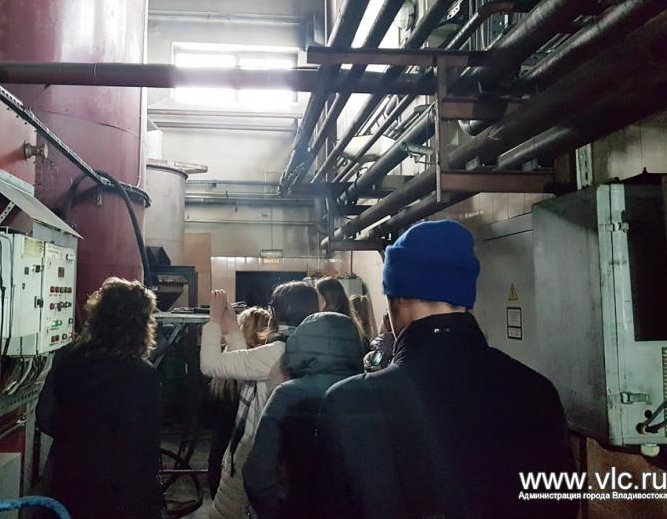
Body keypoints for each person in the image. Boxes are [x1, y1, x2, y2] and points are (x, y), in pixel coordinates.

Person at [316, 220, 576, 519]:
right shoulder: (535, 391)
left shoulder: (348, 403)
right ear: (466, 296)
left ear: (397, 298)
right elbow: (562, 505)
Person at [36, 277, 165, 519]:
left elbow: (44, 418)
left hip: (67, 478)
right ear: (140, 326)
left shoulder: (66, 356)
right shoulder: (141, 373)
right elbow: (144, 445)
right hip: (116, 491)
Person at [200, 282, 319, 519]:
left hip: (253, 449)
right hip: (289, 453)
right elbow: (249, 367)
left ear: (280, 311)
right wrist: (232, 327)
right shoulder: (306, 346)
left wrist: (213, 320)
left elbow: (210, 364)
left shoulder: (278, 350)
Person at [243, 311, 365, 519]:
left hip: (301, 508)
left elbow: (258, 475)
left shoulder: (287, 395)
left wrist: (278, 513)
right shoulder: (369, 391)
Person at [207, 307, 271, 498]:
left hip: (219, 459)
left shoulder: (224, 366)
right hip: (246, 459)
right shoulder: (265, 369)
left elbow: (205, 416)